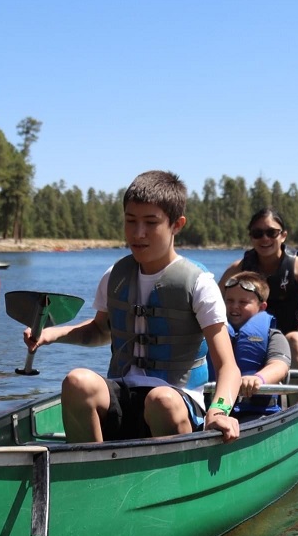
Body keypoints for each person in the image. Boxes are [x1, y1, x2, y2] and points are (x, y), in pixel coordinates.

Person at [23, 170, 241, 444]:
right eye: (130, 221)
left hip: (175, 400)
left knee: (160, 399)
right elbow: (100, 331)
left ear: (177, 224)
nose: (138, 233)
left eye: (151, 223)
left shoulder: (199, 283)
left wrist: (219, 410)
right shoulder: (115, 275)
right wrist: (51, 334)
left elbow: (228, 367)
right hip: (123, 393)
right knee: (76, 381)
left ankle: (174, 474)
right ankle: (90, 472)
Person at [218, 208, 298, 382]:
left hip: (296, 339)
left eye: (272, 233)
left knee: (293, 340)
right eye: (258, 233)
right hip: (252, 339)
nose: (265, 238)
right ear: (251, 237)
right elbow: (212, 307)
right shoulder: (237, 270)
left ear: (283, 235)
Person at [212, 270, 292, 419]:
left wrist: (258, 379)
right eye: (229, 300)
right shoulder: (213, 332)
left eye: (243, 302)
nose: (234, 306)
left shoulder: (273, 336)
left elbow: (279, 366)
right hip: (213, 408)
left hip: (257, 414)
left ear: (262, 307)